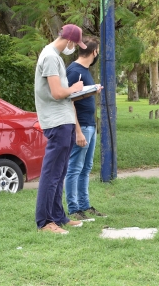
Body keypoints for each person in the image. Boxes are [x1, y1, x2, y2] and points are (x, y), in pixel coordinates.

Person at [34, 24, 87, 235]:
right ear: (70, 41)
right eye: (76, 44)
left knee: (60, 172)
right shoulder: (49, 57)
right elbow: (56, 92)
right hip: (56, 121)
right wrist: (74, 89)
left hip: (63, 119)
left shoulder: (55, 57)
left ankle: (58, 217)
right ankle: (45, 222)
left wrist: (80, 93)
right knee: (52, 173)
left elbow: (59, 92)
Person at [65, 36, 106, 221]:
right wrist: (78, 131)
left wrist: (92, 90)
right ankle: (73, 208)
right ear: (94, 52)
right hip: (81, 127)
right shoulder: (74, 71)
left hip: (91, 125)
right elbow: (68, 101)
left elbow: (81, 94)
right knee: (75, 168)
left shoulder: (85, 71)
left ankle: (85, 205)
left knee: (86, 168)